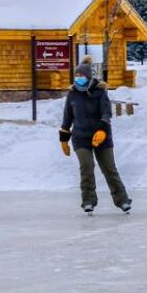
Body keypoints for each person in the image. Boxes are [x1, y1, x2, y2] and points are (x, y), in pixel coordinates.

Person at [61, 55, 131, 214]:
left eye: (81, 76)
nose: (78, 78)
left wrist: (101, 130)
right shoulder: (72, 94)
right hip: (80, 137)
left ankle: (123, 200)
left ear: (88, 76)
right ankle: (88, 201)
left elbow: (106, 113)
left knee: (109, 169)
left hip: (102, 136)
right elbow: (67, 117)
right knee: (86, 167)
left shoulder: (99, 92)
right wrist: (64, 138)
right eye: (76, 76)